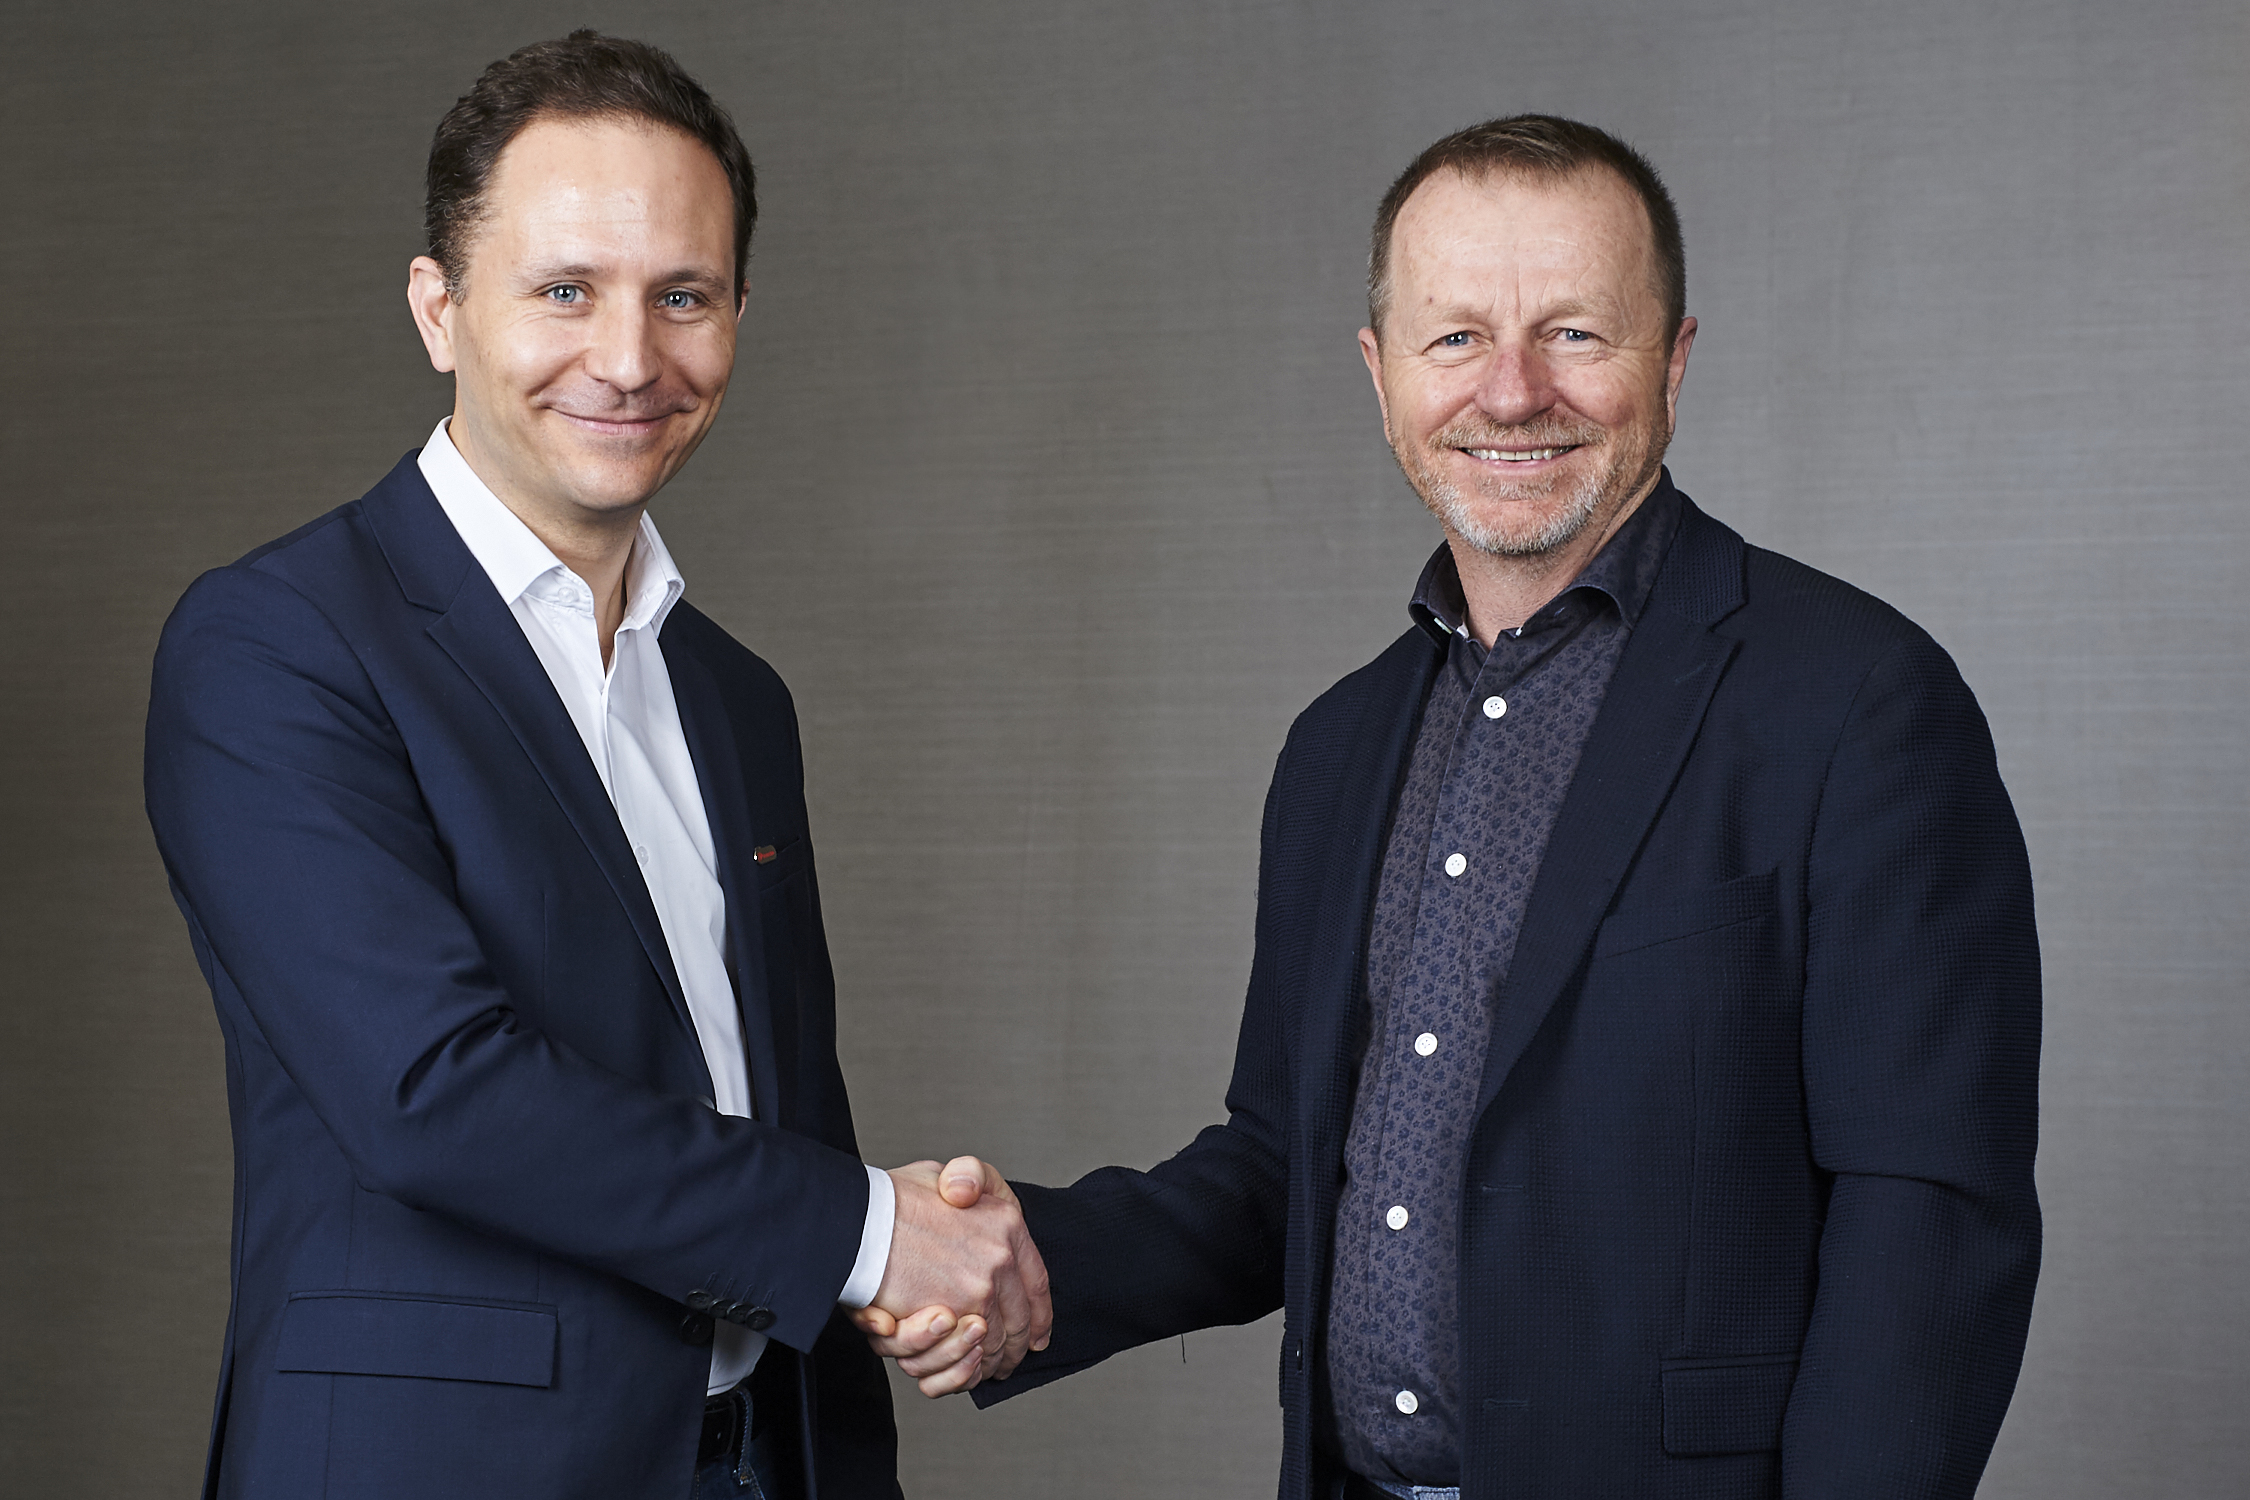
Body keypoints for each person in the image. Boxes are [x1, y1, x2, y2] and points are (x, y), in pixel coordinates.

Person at [862, 115, 2043, 1499]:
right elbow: (1286, 1167)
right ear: (1380, 377)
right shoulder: (1338, 746)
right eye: (1453, 339)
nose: (1511, 390)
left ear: (1673, 358)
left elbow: (1929, 1226)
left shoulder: (1857, 704)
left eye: (1576, 336)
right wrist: (1022, 1258)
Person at [143, 32, 1045, 1500]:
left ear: (738, 314)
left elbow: (769, 1111)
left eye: (681, 297)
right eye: (564, 290)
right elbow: (432, 1089)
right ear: (439, 308)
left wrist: (900, 1269)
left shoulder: (736, 697)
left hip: (759, 1463)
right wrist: (877, 1237)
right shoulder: (275, 643)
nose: (628, 359)